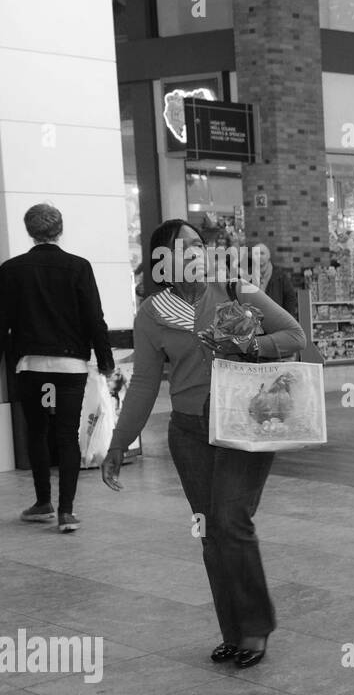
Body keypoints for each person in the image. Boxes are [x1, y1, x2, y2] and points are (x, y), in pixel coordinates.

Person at [101, 219, 306, 668]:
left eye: (199, 244)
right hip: (190, 432)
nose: (196, 252)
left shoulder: (235, 289)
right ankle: (233, 631)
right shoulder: (153, 314)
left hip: (243, 421)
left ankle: (255, 628)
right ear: (163, 261)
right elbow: (143, 385)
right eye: (183, 247)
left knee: (232, 521)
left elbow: (294, 335)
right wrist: (119, 443)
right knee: (211, 532)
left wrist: (247, 346)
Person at [0, 203, 115, 532]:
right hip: (71, 364)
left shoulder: (11, 269)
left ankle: (42, 503)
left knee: (36, 432)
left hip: (30, 363)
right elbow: (95, 317)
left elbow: (2, 321)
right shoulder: (78, 267)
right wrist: (105, 360)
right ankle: (67, 511)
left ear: (29, 230)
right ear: (59, 229)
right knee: (67, 435)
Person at [255, 243, 299, 321]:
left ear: (268, 256)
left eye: (262, 253)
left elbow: (290, 298)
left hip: (276, 322)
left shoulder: (281, 276)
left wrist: (286, 319)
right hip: (255, 323)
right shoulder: (247, 278)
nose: (259, 257)